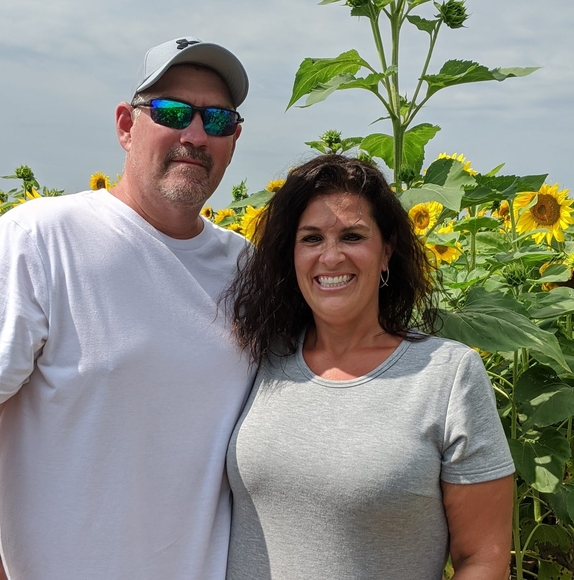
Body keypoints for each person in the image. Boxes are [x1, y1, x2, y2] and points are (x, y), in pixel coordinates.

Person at [0, 36, 254, 580]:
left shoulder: (248, 269)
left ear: (233, 138)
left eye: (217, 120)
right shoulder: (40, 239)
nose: (194, 135)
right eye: (172, 112)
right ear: (125, 125)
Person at [225, 155, 515, 580]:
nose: (330, 256)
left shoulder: (448, 375)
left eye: (352, 236)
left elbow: (484, 560)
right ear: (291, 254)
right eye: (311, 238)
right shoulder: (258, 357)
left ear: (386, 252)